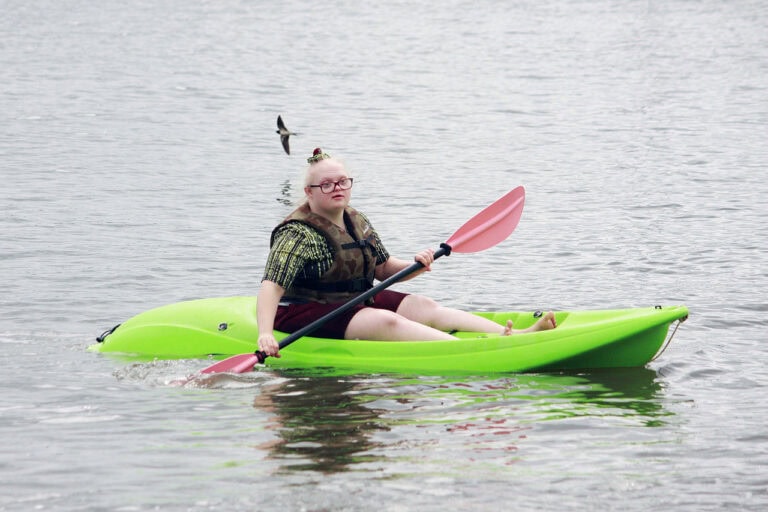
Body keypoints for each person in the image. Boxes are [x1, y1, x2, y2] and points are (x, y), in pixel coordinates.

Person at [257, 148, 557, 358]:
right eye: (326, 184)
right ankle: (469, 351)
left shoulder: (356, 219)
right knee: (384, 322)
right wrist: (265, 334)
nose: (337, 187)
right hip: (305, 311)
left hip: (353, 301)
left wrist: (415, 266)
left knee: (423, 305)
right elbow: (271, 286)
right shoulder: (297, 232)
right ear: (310, 192)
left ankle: (517, 336)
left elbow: (384, 269)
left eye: (343, 181)